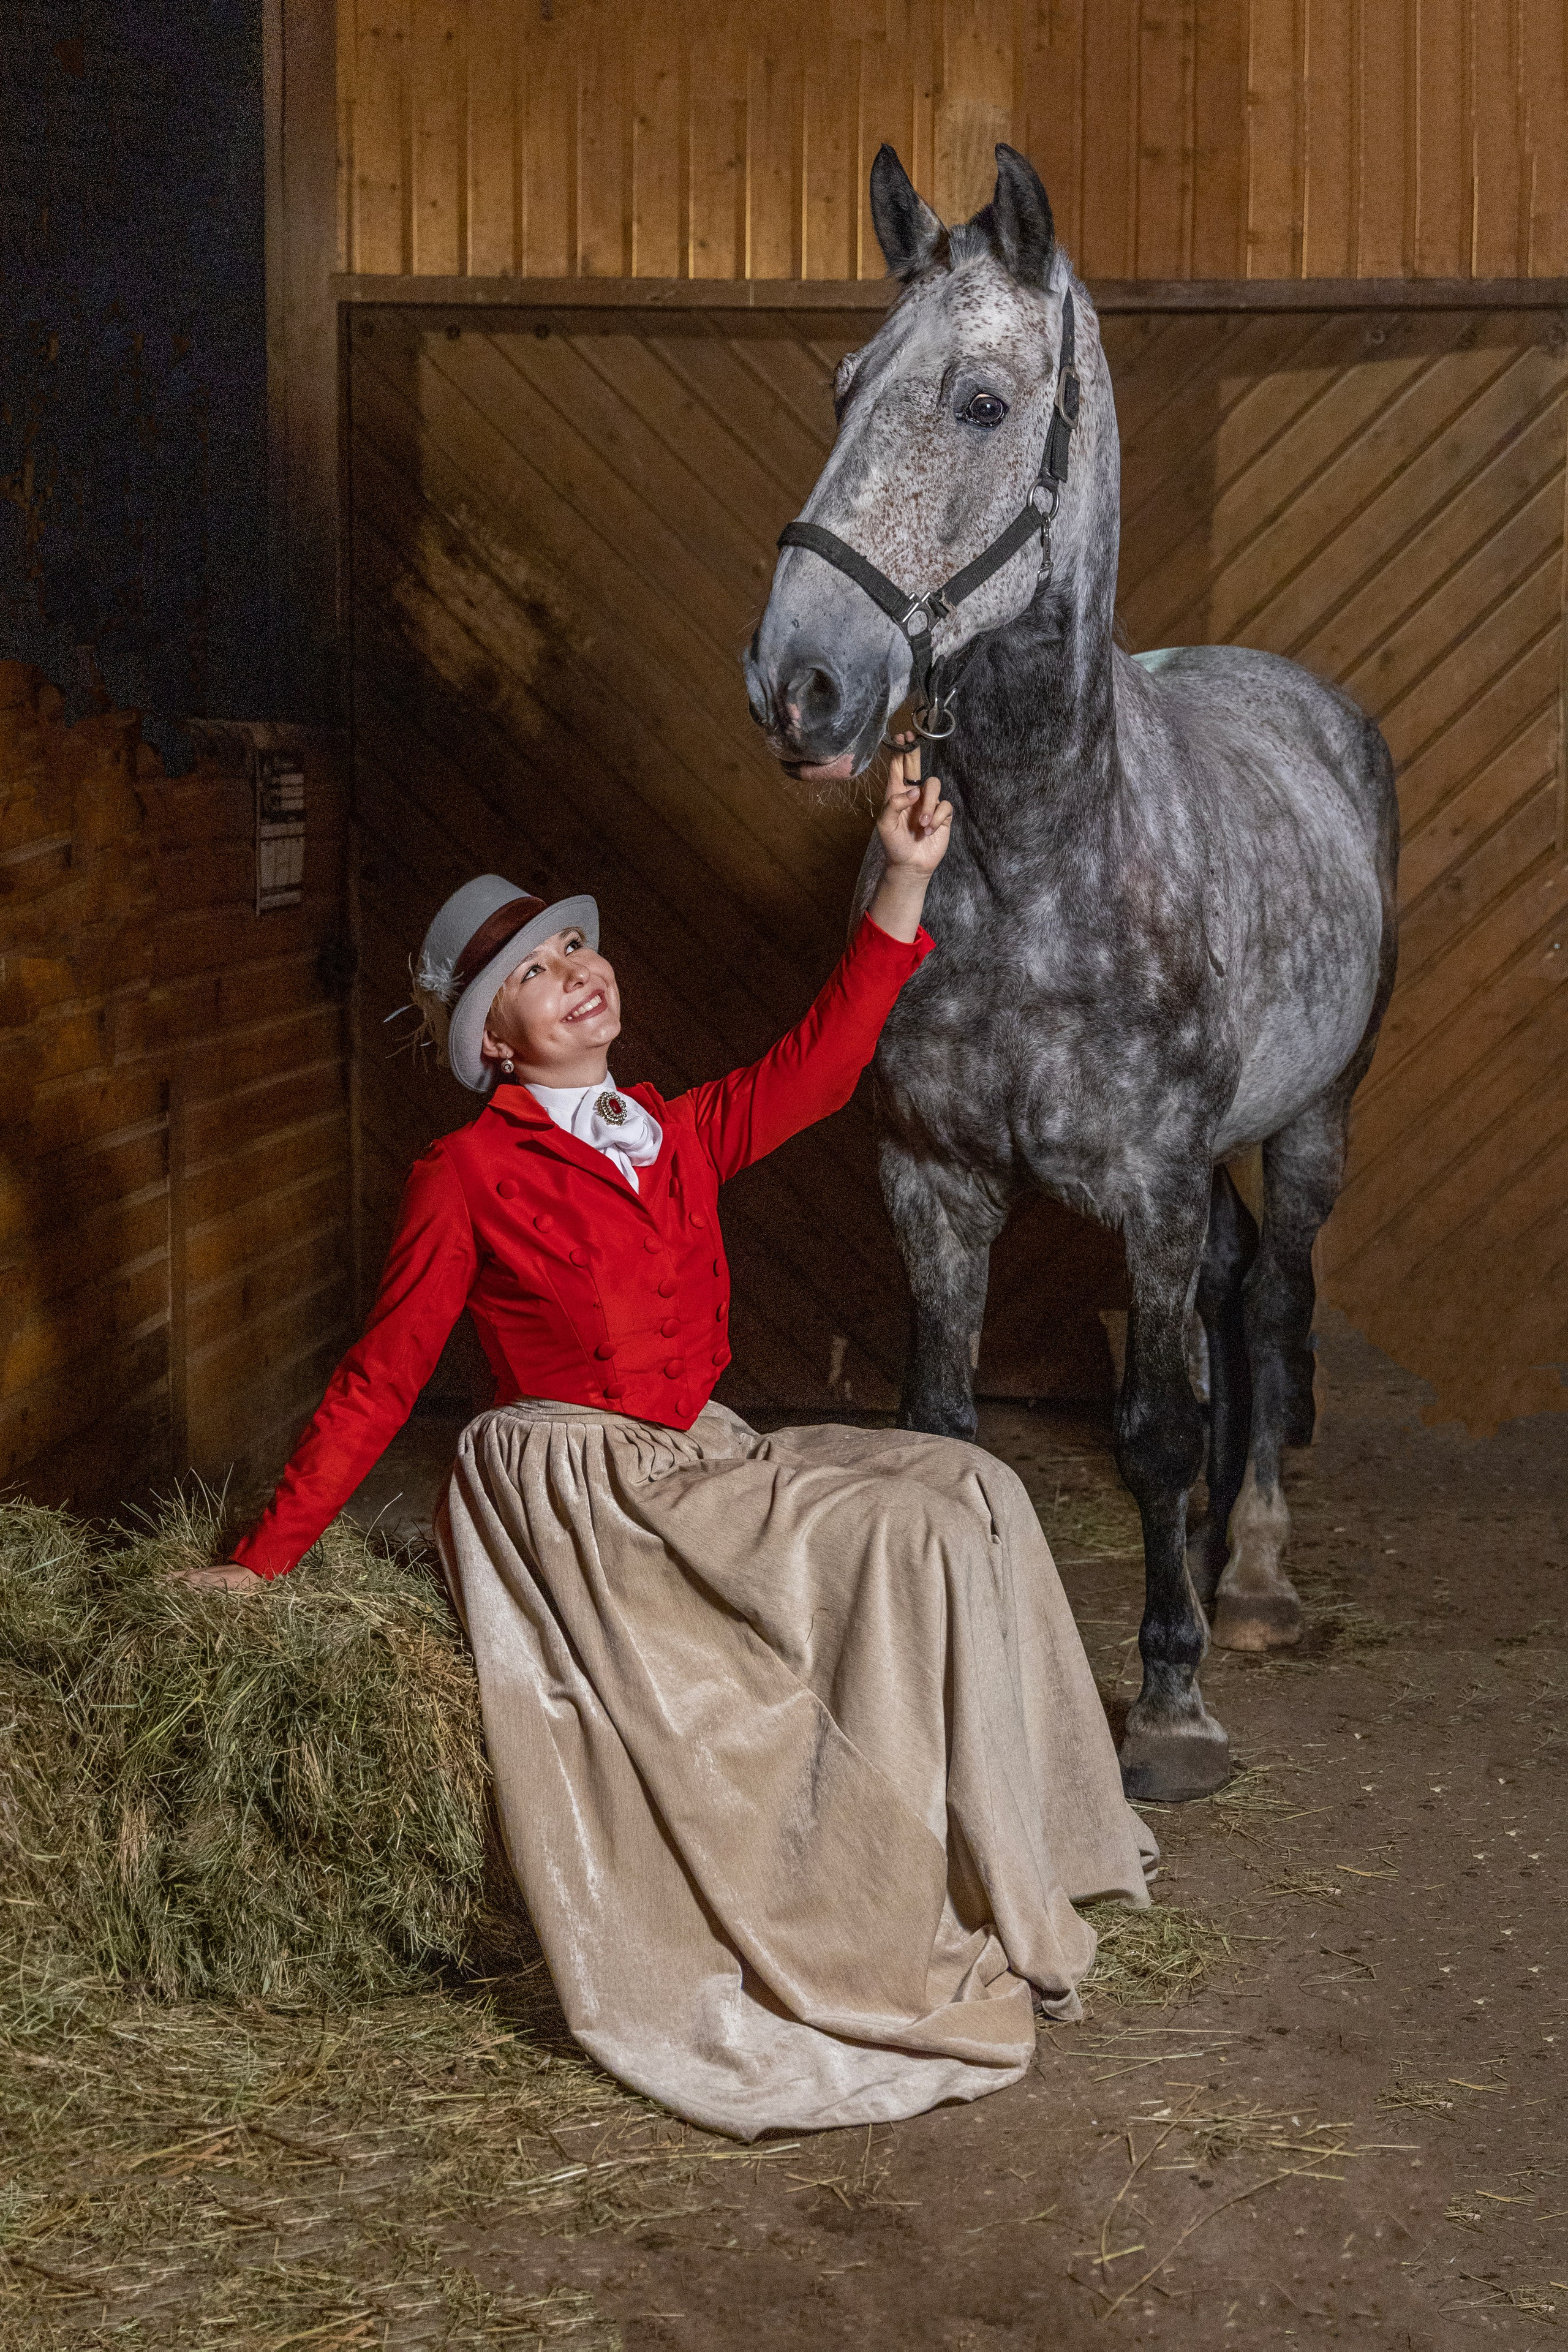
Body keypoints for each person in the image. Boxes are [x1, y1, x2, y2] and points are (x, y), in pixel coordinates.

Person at [191, 746, 1154, 2139]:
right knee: (905, 1527)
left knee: (975, 1480)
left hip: (696, 1454)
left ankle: (1016, 1846)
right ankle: (865, 1899)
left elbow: (821, 1066)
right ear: (494, 1041)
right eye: (532, 970)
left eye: (577, 944)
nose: (575, 967)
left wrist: (899, 875)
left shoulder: (665, 1127)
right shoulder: (465, 1173)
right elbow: (382, 1376)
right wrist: (263, 1563)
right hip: (586, 1487)